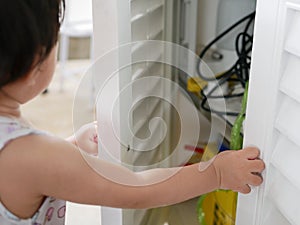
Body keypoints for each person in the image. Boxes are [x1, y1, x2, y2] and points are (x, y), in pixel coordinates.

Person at [0, 0, 265, 224]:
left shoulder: (26, 152)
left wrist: (71, 148)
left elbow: (31, 172)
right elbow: (136, 190)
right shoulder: (32, 155)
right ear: (36, 61)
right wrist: (216, 173)